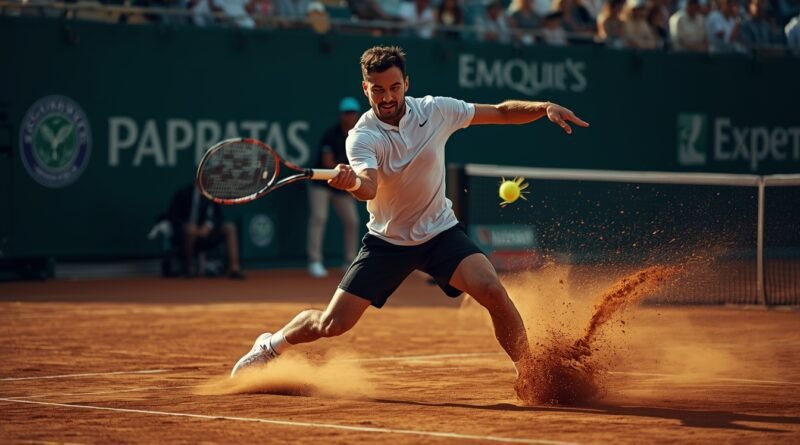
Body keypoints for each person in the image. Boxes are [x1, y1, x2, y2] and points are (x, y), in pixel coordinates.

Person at [230, 46, 589, 383]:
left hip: (440, 233)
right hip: (388, 242)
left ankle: (530, 372)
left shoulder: (436, 111)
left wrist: (543, 107)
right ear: (365, 89)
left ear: (407, 84)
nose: (387, 97)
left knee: (492, 290)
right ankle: (270, 345)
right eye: (377, 90)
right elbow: (369, 186)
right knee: (332, 324)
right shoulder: (362, 136)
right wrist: (351, 183)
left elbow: (501, 112)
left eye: (394, 87)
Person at [307, 97, 362, 278]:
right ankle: (315, 261)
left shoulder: (359, 136)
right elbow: (327, 162)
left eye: (353, 112)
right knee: (319, 217)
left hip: (342, 184)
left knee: (352, 221)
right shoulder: (330, 135)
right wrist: (347, 174)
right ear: (341, 115)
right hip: (321, 184)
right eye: (347, 113)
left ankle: (349, 261)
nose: (350, 116)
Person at [167, 183, 245, 279]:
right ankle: (189, 269)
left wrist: (208, 226)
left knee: (230, 228)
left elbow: (218, 217)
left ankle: (234, 268)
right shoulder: (183, 193)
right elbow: (172, 216)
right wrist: (186, 226)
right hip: (187, 234)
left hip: (208, 233)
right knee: (190, 233)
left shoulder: (211, 194)